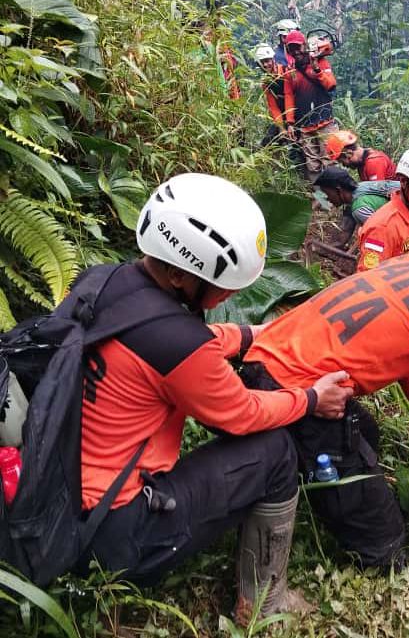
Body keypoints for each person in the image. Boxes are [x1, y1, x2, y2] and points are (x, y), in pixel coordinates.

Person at [77, 173, 352, 623]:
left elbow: (175, 336)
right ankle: (263, 602)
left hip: (65, 496)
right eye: (224, 282)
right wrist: (311, 398)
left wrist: (253, 335)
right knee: (277, 452)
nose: (234, 293)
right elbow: (242, 413)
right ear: (180, 276)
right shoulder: (180, 347)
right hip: (115, 531)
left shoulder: (104, 282)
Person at [212, 198, 409, 569]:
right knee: (385, 541)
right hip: (297, 394)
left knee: (366, 432)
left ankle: (314, 482)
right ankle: (361, 537)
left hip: (263, 365)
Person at [282, 30, 338, 183]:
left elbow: (331, 84)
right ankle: (319, 196)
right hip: (305, 127)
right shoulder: (290, 71)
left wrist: (317, 70)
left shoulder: (321, 62)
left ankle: (336, 194)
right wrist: (290, 123)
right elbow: (288, 96)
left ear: (304, 46)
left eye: (298, 47)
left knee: (330, 161)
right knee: (312, 165)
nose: (296, 51)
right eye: (291, 48)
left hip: (325, 122)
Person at [314, 166, 401, 247]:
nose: (327, 198)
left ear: (338, 190)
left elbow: (385, 236)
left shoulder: (359, 208)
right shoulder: (361, 187)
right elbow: (346, 231)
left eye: (327, 193)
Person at [325, 130, 397, 182]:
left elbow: (378, 193)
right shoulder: (361, 164)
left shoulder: (373, 162)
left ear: (349, 153)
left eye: (342, 162)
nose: (344, 165)